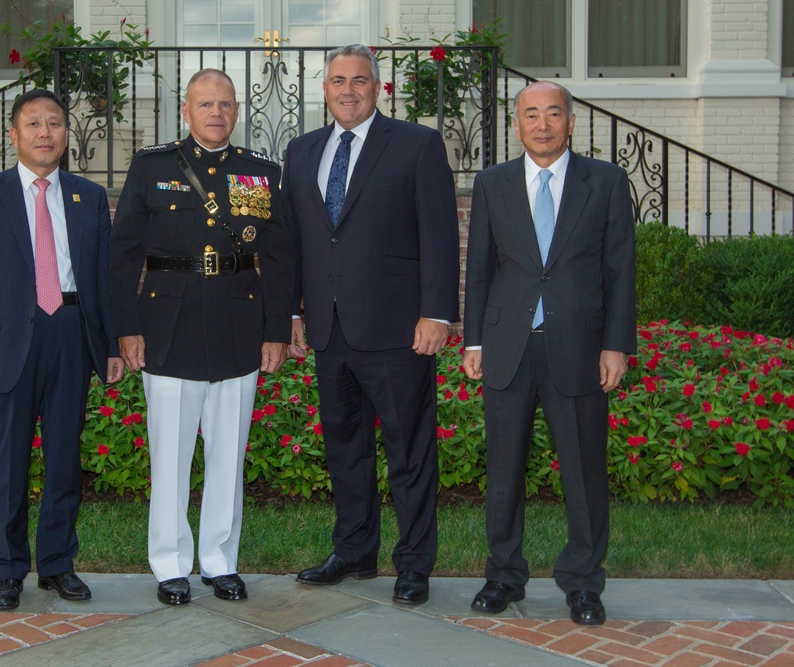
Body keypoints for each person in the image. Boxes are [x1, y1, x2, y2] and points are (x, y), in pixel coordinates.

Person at [109, 69, 294, 606]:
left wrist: (276, 330)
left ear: (238, 112)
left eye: (226, 105)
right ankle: (169, 564)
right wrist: (127, 325)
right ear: (185, 111)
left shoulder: (258, 174)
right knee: (170, 457)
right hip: (167, 326)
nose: (217, 113)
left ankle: (219, 560)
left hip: (239, 323)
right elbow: (123, 257)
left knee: (228, 455)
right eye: (206, 104)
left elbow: (278, 258)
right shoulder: (153, 167)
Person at [283, 44, 460, 606]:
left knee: (409, 452)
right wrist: (292, 312)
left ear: (378, 88)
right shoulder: (302, 150)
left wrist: (437, 312)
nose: (348, 90)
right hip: (329, 332)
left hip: (398, 330)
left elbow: (439, 233)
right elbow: (293, 244)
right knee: (346, 450)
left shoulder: (416, 145)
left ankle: (413, 565)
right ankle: (354, 550)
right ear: (326, 89)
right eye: (338, 80)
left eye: (360, 80)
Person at [462, 80, 636, 626]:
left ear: (570, 122)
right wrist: (474, 340)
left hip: (579, 350)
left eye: (553, 113)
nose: (542, 124)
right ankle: (503, 575)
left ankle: (583, 582)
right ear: (517, 124)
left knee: (584, 473)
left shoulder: (605, 182)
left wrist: (615, 345)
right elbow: (481, 268)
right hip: (509, 348)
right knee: (504, 471)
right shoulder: (492, 183)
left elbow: (619, 270)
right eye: (531, 114)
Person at [0, 89, 125, 611]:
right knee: (9, 460)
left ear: (66, 135)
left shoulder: (87, 197)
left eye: (55, 123)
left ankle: (56, 564)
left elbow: (103, 279)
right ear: (14, 135)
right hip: (9, 343)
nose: (45, 132)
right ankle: (9, 570)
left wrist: (110, 345)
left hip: (70, 333)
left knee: (64, 459)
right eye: (34, 124)